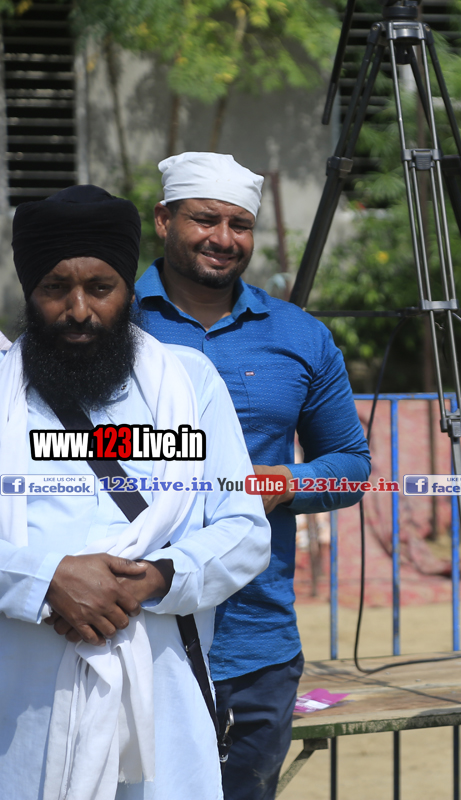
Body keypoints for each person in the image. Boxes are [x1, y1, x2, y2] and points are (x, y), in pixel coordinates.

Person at [0, 185, 270, 798]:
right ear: (28, 291)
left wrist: (155, 578)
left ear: (128, 289)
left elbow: (245, 529)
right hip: (20, 711)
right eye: (55, 288)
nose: (78, 310)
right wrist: (44, 579)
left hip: (162, 700)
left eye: (100, 288)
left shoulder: (189, 383)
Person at [133, 152, 372, 800]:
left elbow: (351, 469)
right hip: (137, 630)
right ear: (164, 219)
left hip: (256, 643)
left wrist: (283, 483)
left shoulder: (299, 335)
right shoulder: (111, 323)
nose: (223, 238)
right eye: (204, 219)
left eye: (240, 224)